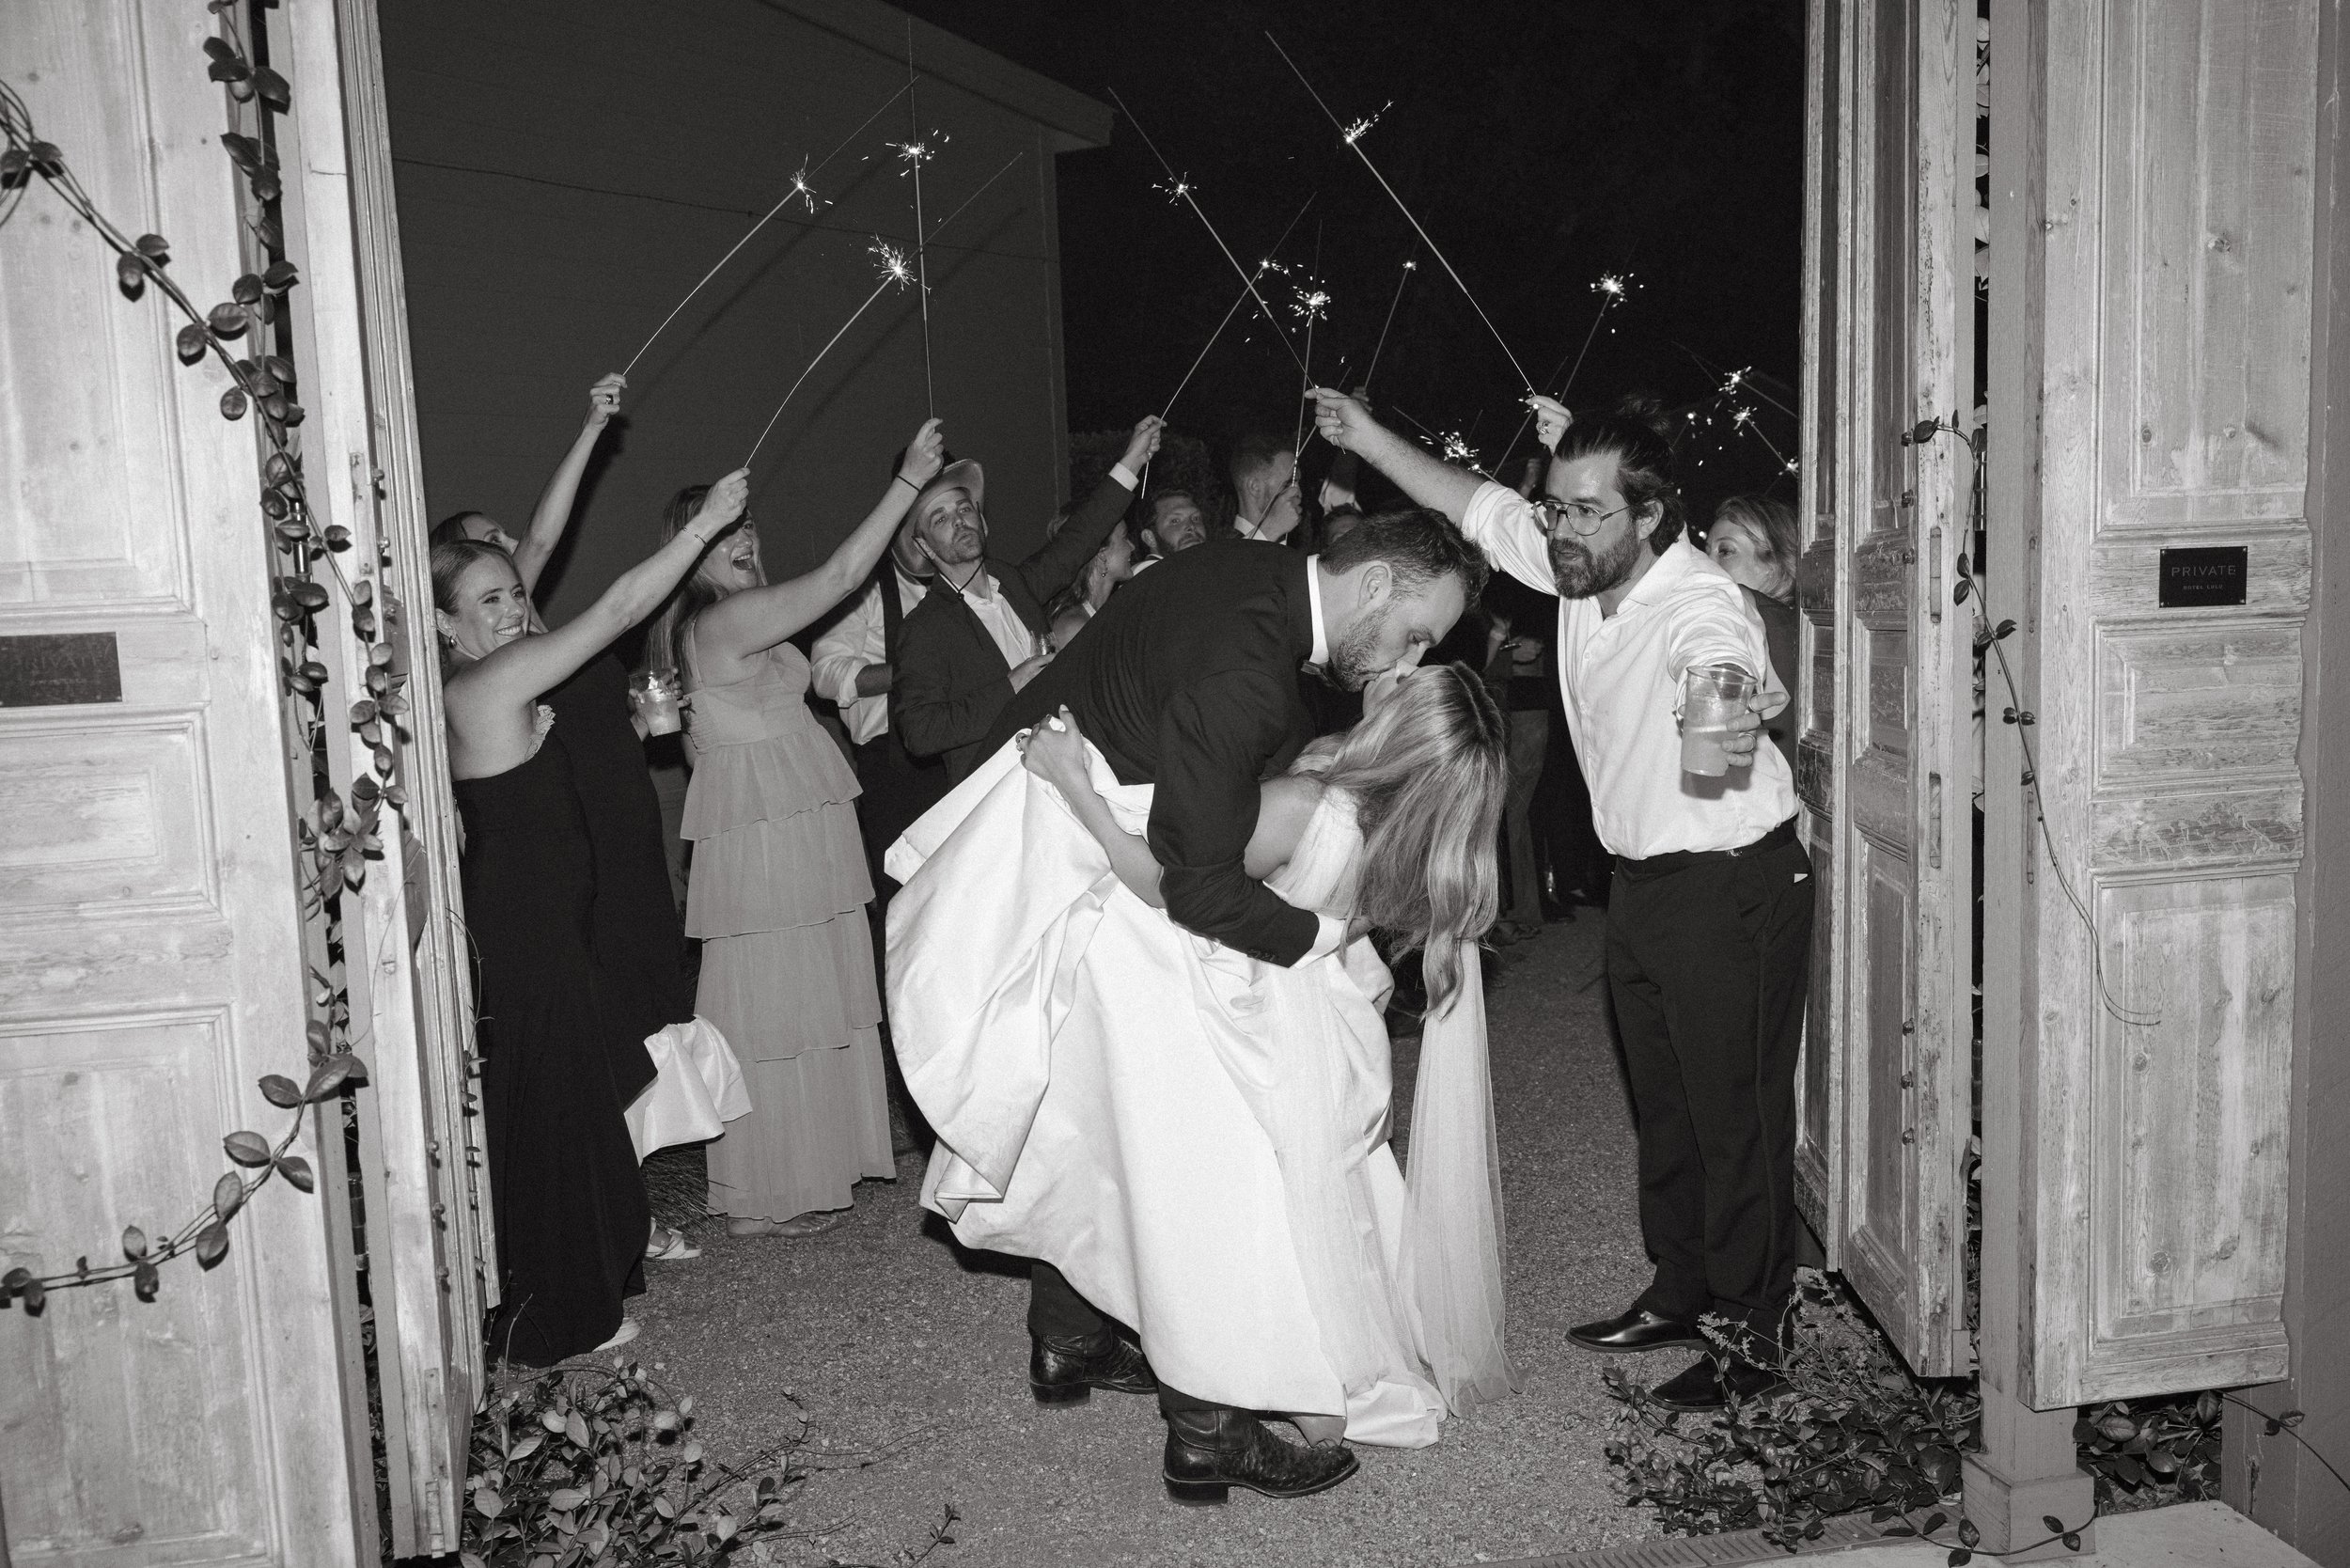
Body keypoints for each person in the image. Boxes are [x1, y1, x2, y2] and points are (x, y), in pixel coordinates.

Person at [889, 508, 1486, 1501]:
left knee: (1106, 1128)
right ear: (1376, 584)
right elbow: (1199, 889)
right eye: (1416, 633)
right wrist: (1320, 943)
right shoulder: (1251, 675)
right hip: (1112, 891)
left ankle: (1075, 1342)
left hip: (1099, 866)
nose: (1409, 658)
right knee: (1198, 1172)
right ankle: (1205, 1422)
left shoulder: (1246, 573)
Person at [1311, 385, 1810, 1414]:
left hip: (1730, 882)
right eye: (1558, 507)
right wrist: (1369, 436)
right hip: (1645, 881)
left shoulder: (1700, 603)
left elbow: (1716, 688)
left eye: (1587, 511)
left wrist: (1735, 706)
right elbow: (1471, 501)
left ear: (1650, 516)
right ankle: (1681, 1291)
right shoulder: (1576, 566)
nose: (1562, 529)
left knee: (1734, 1116)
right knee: (1663, 1103)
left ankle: (1753, 1334)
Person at [435, 466, 750, 1364]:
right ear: (446, 625)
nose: (510, 610)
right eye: (487, 601)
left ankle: (566, 1288)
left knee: (569, 1110)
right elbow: (616, 611)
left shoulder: (489, 683)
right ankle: (559, 1314)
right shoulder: (485, 685)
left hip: (546, 930)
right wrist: (703, 528)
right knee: (553, 1119)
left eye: (513, 593)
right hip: (527, 937)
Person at [650, 419, 946, 1238]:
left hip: (787, 822)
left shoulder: (732, 618)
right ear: (690, 554)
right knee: (775, 1006)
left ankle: (798, 1171)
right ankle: (762, 1191)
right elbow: (844, 575)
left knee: (803, 998)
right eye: (723, 532)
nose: (745, 538)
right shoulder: (722, 622)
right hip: (769, 837)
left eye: (746, 525)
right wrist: (908, 482)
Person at [893, 416, 1163, 780]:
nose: (958, 521)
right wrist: (1011, 687)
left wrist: (1133, 459)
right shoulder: (925, 627)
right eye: (940, 519)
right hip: (998, 790)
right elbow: (920, 732)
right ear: (925, 547)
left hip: (1066, 773)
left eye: (964, 509)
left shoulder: (1014, 584)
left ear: (981, 520)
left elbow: (1081, 536)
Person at [431, 372, 628, 610]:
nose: (516, 544)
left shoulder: (523, 612)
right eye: (494, 541)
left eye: (505, 536)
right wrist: (590, 429)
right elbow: (537, 541)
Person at [1706, 494, 1802, 776]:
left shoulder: (1746, 609)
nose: (1706, 564)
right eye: (1706, 551)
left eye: (1725, 551)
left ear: (1774, 564)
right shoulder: (1798, 623)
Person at [1481, 578, 1555, 942]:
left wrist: (1509, 652)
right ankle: (1507, 911)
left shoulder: (1529, 586)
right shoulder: (1474, 604)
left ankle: (1521, 908)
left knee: (1515, 812)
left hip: (1528, 711)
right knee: (1504, 815)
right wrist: (1508, 653)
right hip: (1497, 716)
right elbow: (1464, 668)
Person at [1042, 511, 1138, 651]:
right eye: (1124, 537)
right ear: (1101, 554)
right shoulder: (1075, 627)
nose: (1132, 547)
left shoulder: (1111, 613)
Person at [1230, 430, 1304, 541]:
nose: (1299, 494)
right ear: (1255, 487)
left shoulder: (1295, 545)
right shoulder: (1219, 545)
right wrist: (1273, 528)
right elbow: (1237, 554)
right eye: (1287, 484)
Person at [1135, 487, 1211, 559]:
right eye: (1175, 521)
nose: (1191, 526)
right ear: (1149, 538)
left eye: (1196, 518)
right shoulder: (1149, 569)